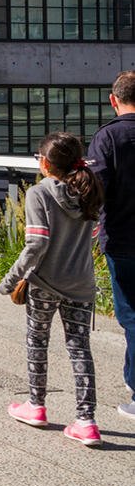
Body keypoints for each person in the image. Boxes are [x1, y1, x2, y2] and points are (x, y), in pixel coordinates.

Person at [1, 132, 104, 447]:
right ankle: (86, 422)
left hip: (45, 283)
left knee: (37, 342)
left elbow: (37, 244)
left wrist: (9, 280)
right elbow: (94, 234)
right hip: (81, 282)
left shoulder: (38, 194)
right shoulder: (88, 191)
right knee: (79, 347)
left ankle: (36, 405)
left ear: (45, 163)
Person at [88, 69, 135, 421]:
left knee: (131, 315)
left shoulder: (108, 137)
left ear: (113, 99)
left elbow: (95, 188)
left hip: (123, 237)